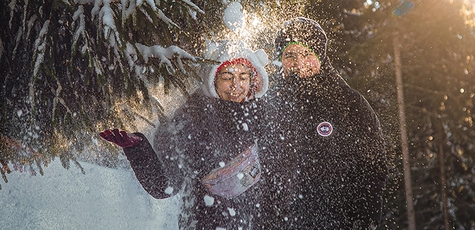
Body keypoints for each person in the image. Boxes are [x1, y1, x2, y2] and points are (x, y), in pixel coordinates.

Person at [100, 40, 269, 229]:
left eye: (243, 77)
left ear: (253, 80)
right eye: (227, 77)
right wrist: (138, 149)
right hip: (208, 221)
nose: (236, 85)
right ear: (213, 80)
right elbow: (164, 185)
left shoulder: (263, 113)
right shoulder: (192, 118)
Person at [260, 17, 388, 229]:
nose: (299, 64)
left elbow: (373, 167)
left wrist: (364, 220)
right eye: (290, 55)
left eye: (307, 54)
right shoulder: (266, 103)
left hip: (337, 222)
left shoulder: (349, 103)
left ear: (321, 56)